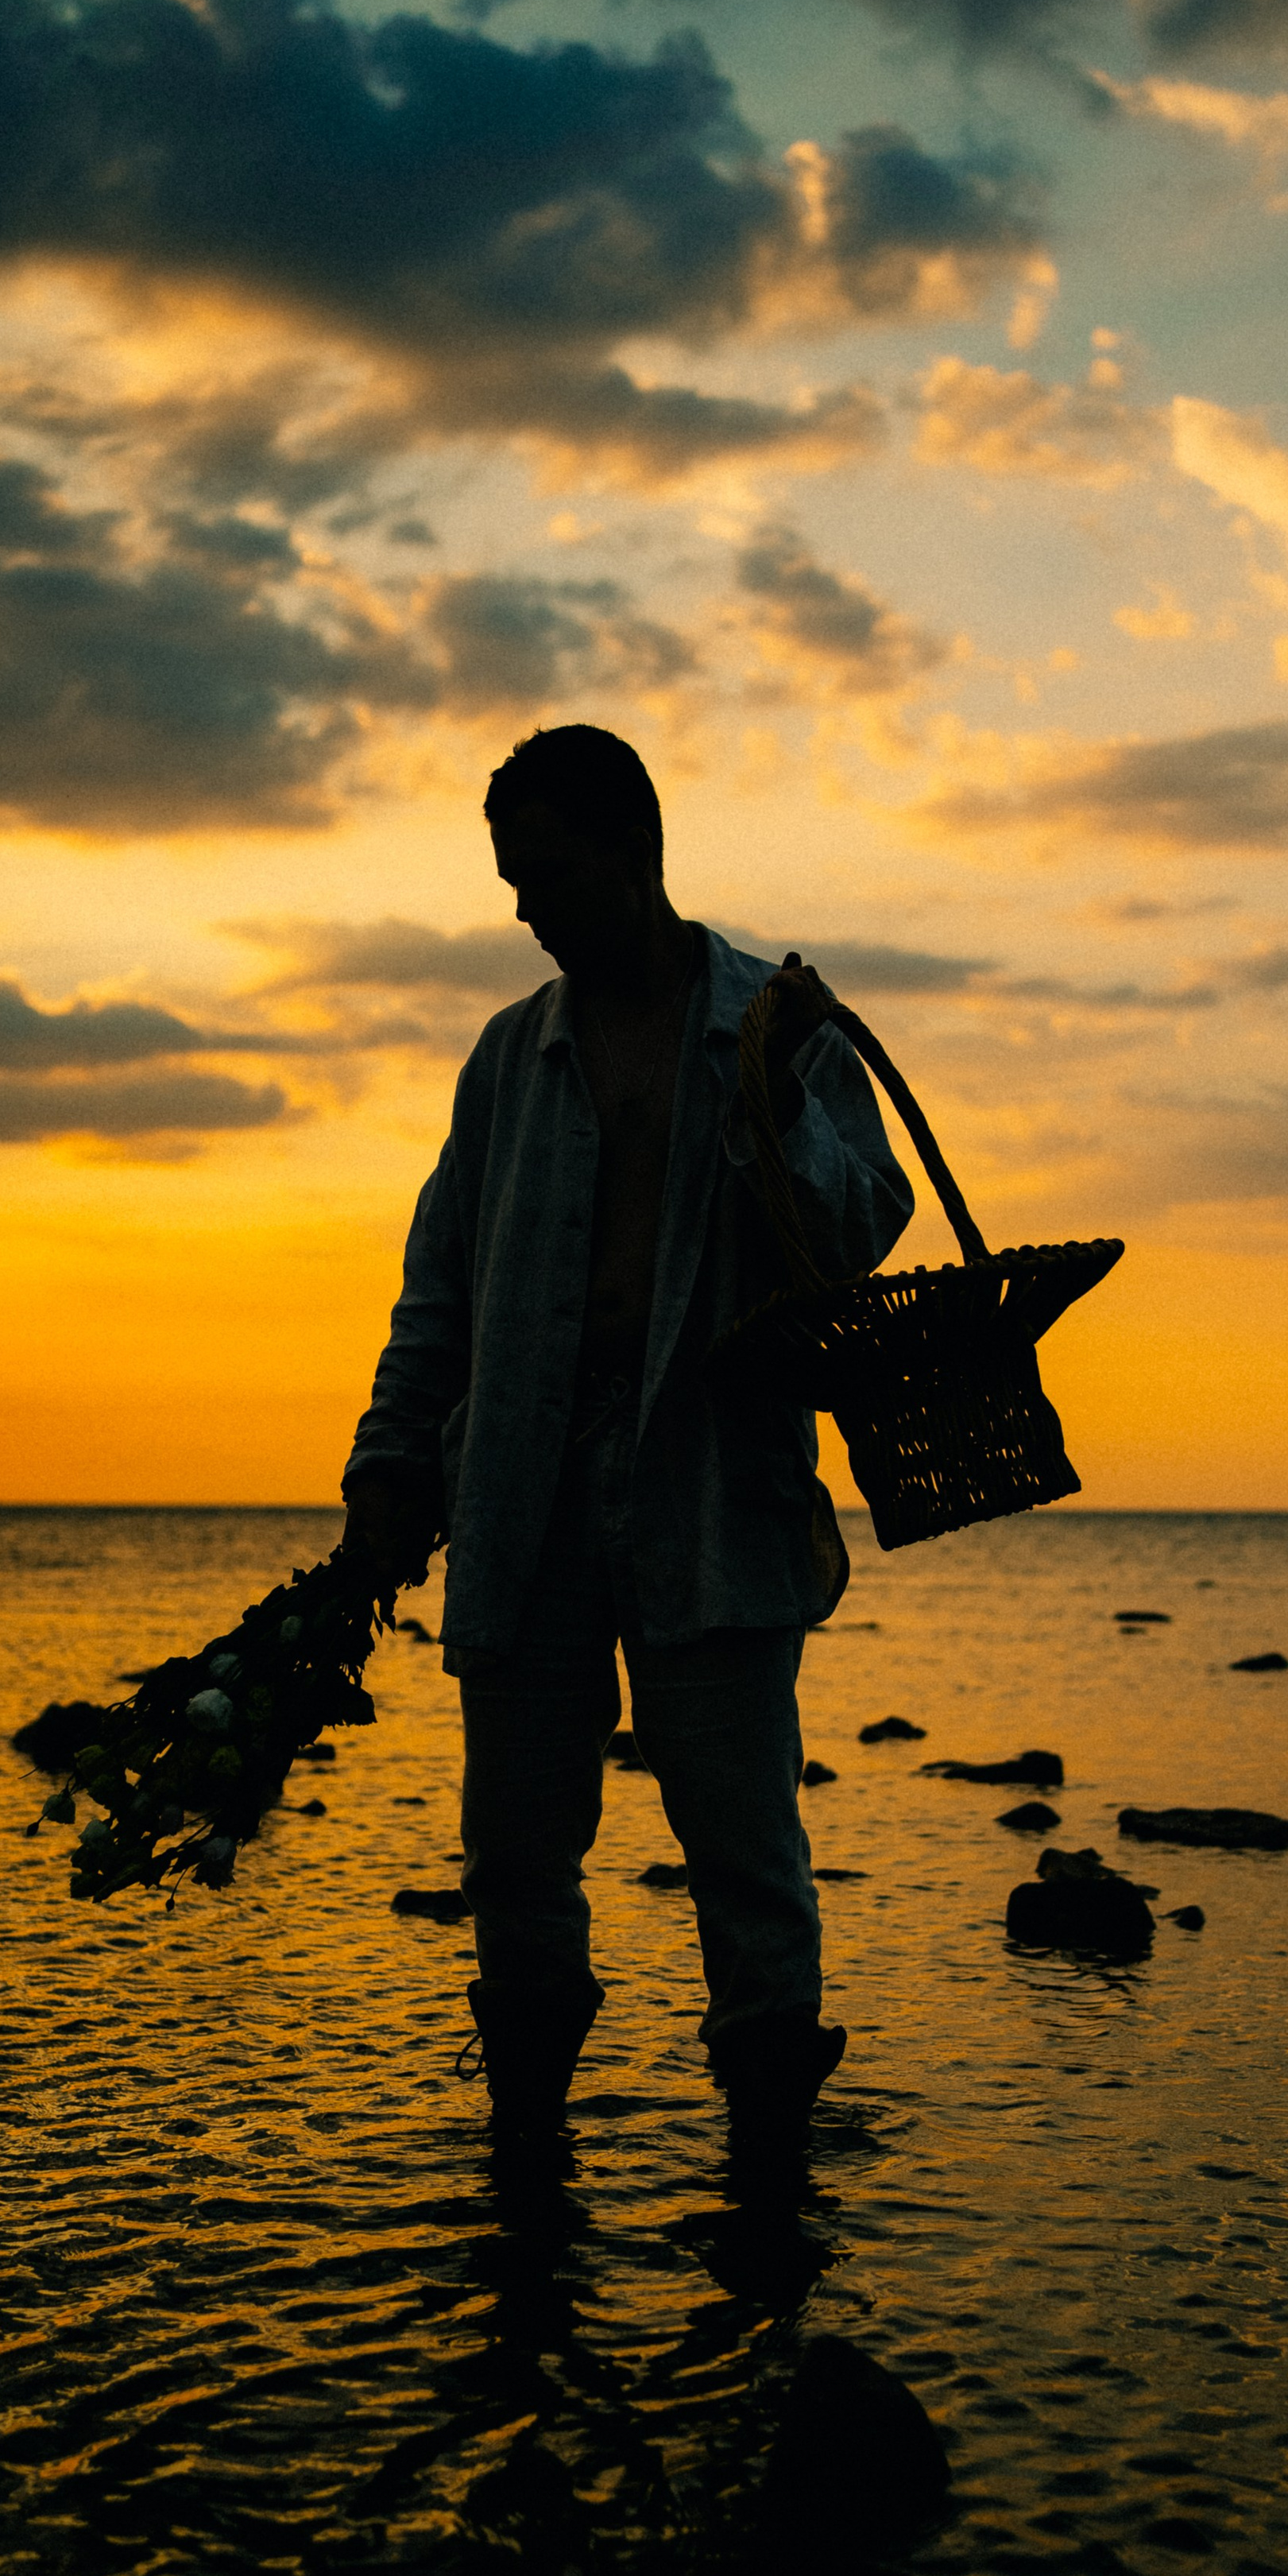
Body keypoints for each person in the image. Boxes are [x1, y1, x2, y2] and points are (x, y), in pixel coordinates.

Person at [342, 724, 914, 2137]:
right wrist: (385, 1473)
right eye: (508, 883)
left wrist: (777, 1105)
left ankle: (769, 2180)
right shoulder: (505, 1062)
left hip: (714, 1488)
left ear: (632, 851)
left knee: (744, 1855)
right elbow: (441, 1290)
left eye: (543, 876)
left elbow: (861, 1232)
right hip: (520, 1493)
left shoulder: (777, 1027)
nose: (523, 911)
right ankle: (527, 2163)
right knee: (516, 1860)